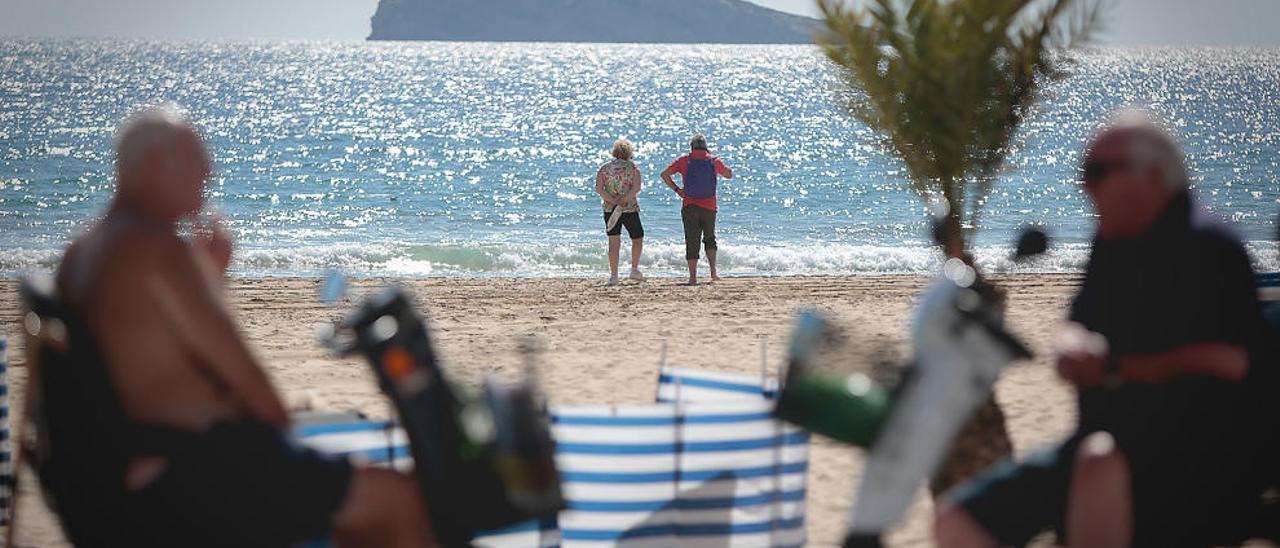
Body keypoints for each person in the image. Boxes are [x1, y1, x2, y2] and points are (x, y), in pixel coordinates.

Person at [54, 105, 431, 547]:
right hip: (182, 485)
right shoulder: (157, 250)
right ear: (156, 163)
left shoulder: (83, 252)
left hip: (112, 486)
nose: (210, 173)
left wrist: (209, 281)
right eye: (198, 159)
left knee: (338, 495)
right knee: (404, 500)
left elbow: (150, 357)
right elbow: (262, 397)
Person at [934, 111, 1278, 547]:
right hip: (1096, 440)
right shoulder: (1112, 239)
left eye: (1098, 172)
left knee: (1100, 464)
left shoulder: (1208, 248)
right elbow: (1078, 321)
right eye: (1084, 171)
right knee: (956, 521)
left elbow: (1232, 360)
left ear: (1152, 176)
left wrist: (1118, 369)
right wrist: (1070, 342)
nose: (1085, 185)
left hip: (1192, 458)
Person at [661, 134, 733, 285]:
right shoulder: (713, 161)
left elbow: (664, 174)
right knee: (709, 238)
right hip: (709, 206)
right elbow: (728, 175)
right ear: (705, 146)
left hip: (689, 205)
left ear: (692, 146)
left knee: (692, 240)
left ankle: (693, 277)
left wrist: (677, 190)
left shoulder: (684, 160)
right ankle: (713, 273)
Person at [595, 138, 645, 286]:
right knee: (637, 238)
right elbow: (636, 189)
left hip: (610, 209)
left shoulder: (605, 168)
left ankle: (614, 275)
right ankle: (634, 269)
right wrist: (623, 199)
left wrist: (612, 199)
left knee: (614, 242)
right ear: (629, 152)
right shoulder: (633, 168)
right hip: (629, 208)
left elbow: (599, 189)